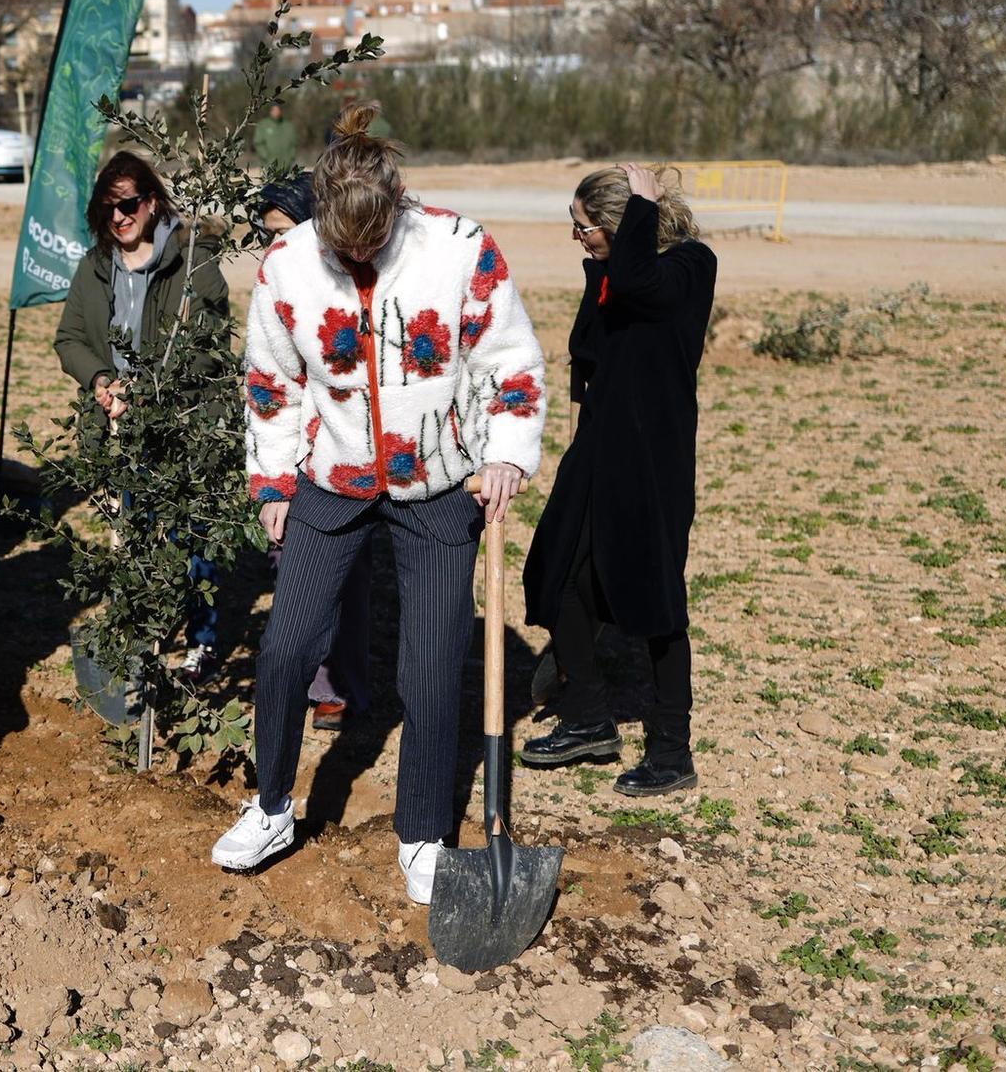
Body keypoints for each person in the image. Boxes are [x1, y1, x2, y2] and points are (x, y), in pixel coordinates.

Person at [214, 103, 546, 903]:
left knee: (430, 673)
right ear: (320, 217)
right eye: (343, 245)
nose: (357, 255)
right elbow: (272, 382)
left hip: (437, 487)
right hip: (329, 483)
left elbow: (511, 360)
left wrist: (504, 454)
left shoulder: (462, 249)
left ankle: (424, 833)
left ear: (398, 205)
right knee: (287, 650)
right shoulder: (287, 264)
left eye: (372, 242)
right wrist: (272, 482)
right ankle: (270, 807)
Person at [520, 163, 716, 796]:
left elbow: (643, 286)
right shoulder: (608, 272)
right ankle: (589, 719)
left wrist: (638, 214)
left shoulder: (690, 266)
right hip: (598, 451)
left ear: (621, 222)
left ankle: (671, 751)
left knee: (656, 602)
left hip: (652, 461)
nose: (577, 238)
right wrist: (575, 445)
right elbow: (587, 355)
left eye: (585, 228)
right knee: (557, 577)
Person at [54, 151, 231, 681]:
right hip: (119, 424)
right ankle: (144, 635)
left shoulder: (193, 263)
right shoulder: (94, 266)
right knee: (136, 530)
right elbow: (70, 339)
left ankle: (201, 642)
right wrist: (103, 381)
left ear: (152, 203)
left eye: (128, 204)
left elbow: (208, 347)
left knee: (193, 535)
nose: (118, 218)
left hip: (184, 421)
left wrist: (148, 388)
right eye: (107, 208)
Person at [257, 174, 371, 732]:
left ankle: (343, 684)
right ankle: (310, 680)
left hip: (342, 464)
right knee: (292, 574)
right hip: (294, 466)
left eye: (286, 232)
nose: (275, 246)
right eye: (266, 234)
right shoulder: (274, 288)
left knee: (349, 585)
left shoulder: (345, 290)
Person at [252, 101, 298, 173]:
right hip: (268, 168)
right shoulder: (263, 125)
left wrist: (290, 158)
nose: (276, 112)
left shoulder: (288, 126)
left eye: (278, 109)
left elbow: (294, 144)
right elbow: (258, 143)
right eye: (274, 110)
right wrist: (267, 157)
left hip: (286, 168)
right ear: (270, 111)